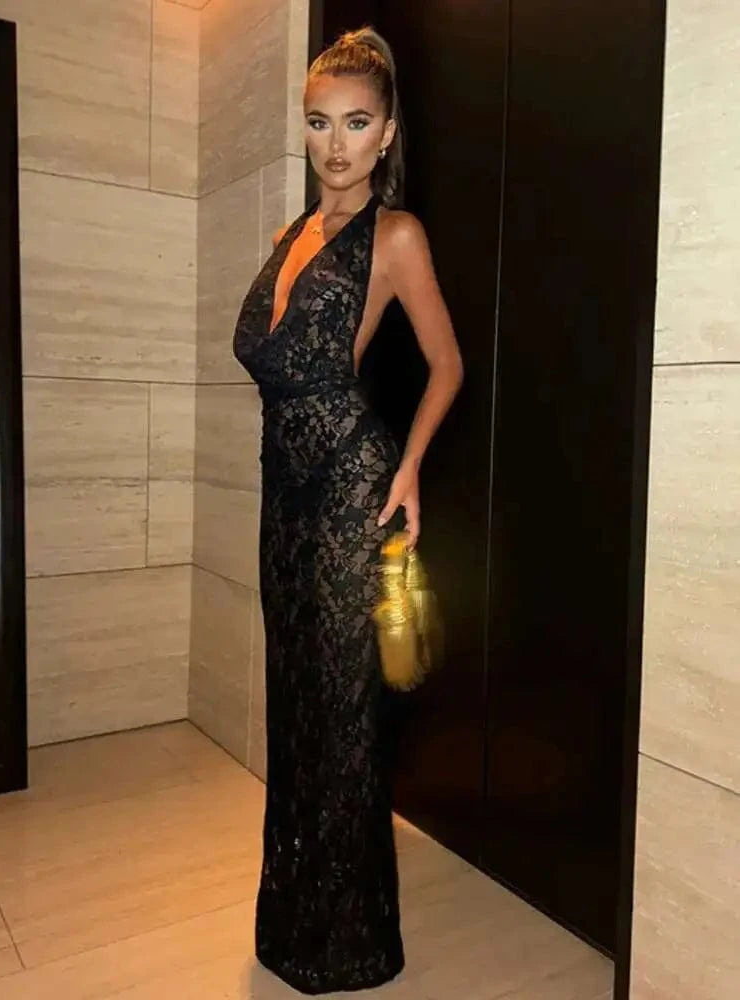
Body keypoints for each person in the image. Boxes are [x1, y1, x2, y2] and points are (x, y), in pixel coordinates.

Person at [233, 24, 463, 995]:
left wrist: (408, 469)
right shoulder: (290, 237)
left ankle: (350, 940)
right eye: (320, 122)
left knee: (343, 715)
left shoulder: (395, 235)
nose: (336, 144)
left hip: (347, 496)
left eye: (357, 123)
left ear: (387, 132)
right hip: (284, 503)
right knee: (296, 706)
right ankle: (296, 917)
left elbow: (447, 364)